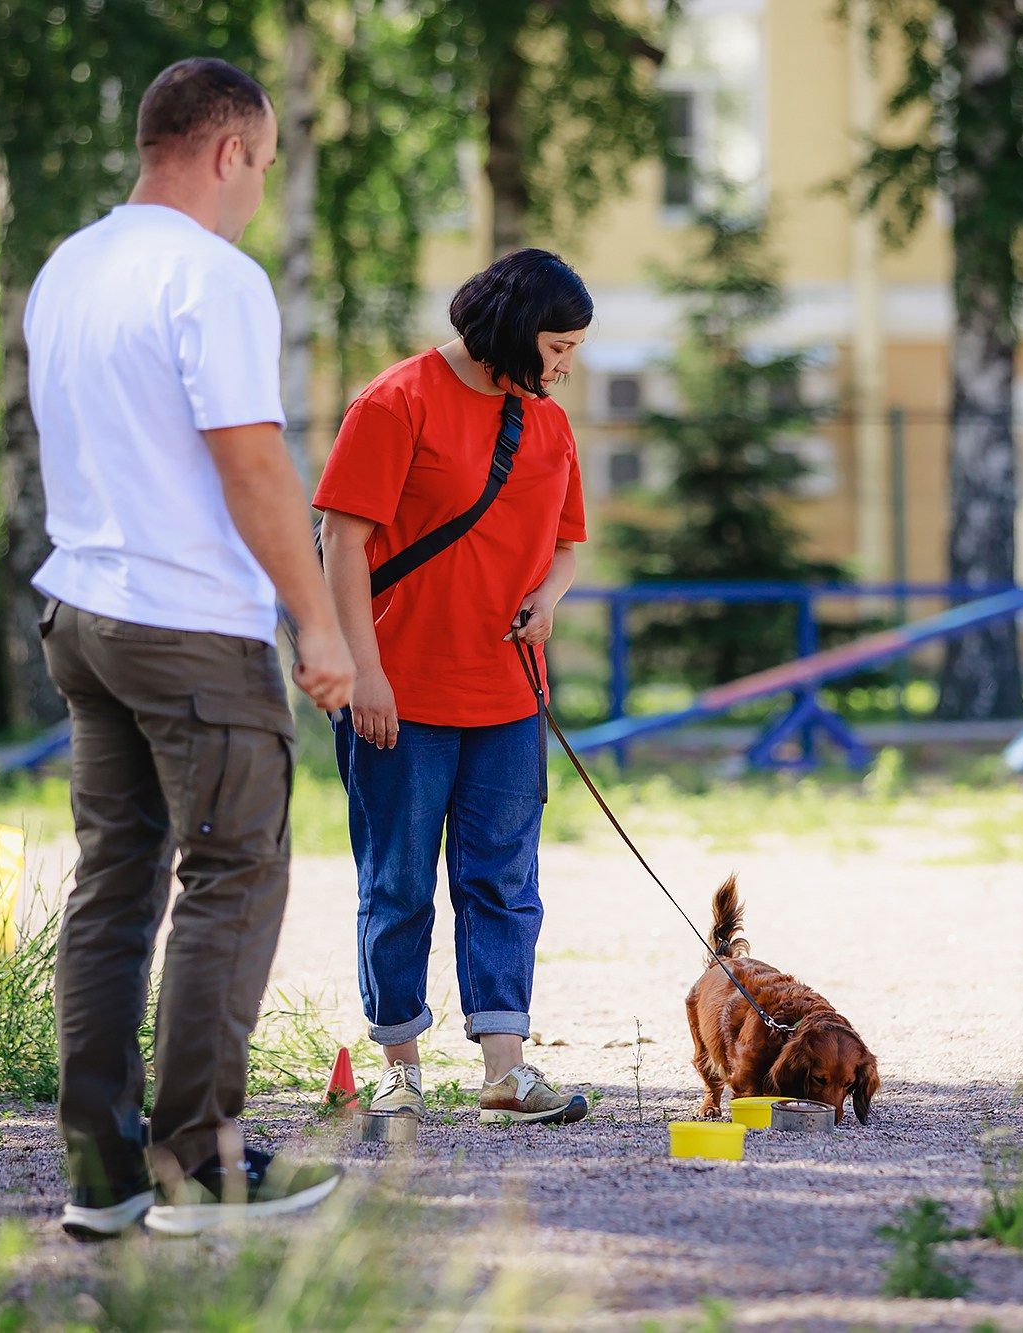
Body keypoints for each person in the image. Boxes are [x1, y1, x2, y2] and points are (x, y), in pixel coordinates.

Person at [26, 56, 355, 1241]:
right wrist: (317, 620)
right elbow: (251, 460)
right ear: (227, 151)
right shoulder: (212, 276)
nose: (260, 189)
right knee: (231, 876)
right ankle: (201, 1164)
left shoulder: (70, 265)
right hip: (188, 627)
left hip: (83, 612)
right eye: (262, 165)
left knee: (112, 886)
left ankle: (102, 1170)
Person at [315, 248, 593, 1127]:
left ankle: (505, 1071)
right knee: (396, 881)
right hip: (397, 690)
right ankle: (399, 1064)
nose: (565, 365)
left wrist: (546, 598)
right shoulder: (395, 402)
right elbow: (341, 539)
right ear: (514, 330)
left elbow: (569, 545)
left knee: (505, 880)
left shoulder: (546, 424)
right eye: (557, 345)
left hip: (509, 692)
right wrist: (364, 672)